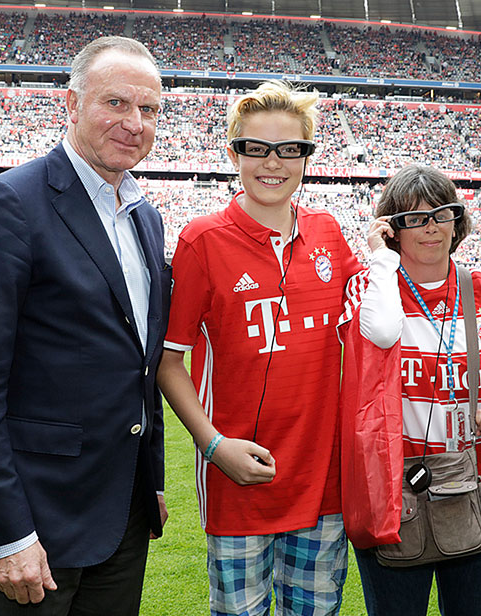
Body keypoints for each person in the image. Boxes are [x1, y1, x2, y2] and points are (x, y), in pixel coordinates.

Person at [0, 36, 170, 615]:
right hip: (35, 522)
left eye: (149, 110)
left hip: (121, 515)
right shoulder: (8, 204)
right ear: (71, 104)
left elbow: (138, 362)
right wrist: (6, 534)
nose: (134, 123)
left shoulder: (146, 218)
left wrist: (151, 479)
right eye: (116, 103)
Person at [156, 80, 361, 616]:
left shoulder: (328, 233)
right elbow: (167, 361)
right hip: (239, 480)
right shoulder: (202, 240)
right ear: (234, 152)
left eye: (290, 150)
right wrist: (214, 446)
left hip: (324, 484)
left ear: (307, 157)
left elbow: (380, 303)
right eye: (257, 148)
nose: (274, 164)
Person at [343, 163, 481, 615]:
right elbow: (383, 331)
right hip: (394, 498)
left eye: (441, 214)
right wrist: (381, 260)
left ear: (457, 220)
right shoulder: (368, 290)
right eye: (413, 218)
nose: (430, 228)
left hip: (479, 495)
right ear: (392, 228)